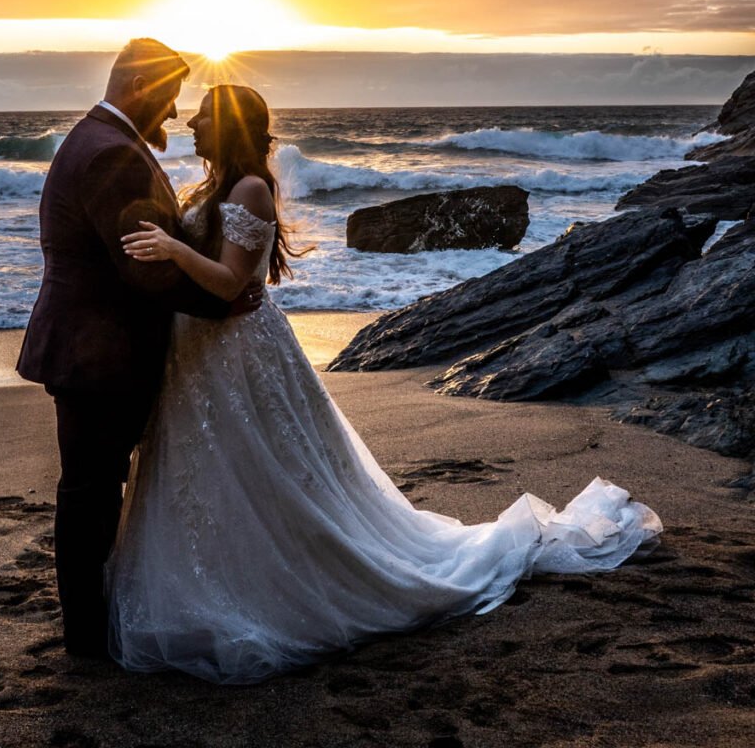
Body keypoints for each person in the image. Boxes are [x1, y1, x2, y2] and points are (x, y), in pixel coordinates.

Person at [107, 83, 663, 685]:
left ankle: (287, 582)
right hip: (199, 348)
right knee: (213, 470)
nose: (192, 123)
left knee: (266, 470)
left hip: (239, 348)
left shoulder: (249, 190)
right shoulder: (208, 187)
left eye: (206, 117)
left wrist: (170, 248)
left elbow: (229, 284)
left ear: (233, 127)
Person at [16, 40, 259, 657]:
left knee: (92, 491)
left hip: (93, 351)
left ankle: (90, 626)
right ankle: (86, 637)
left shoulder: (98, 141)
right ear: (142, 89)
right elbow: (142, 267)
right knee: (91, 493)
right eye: (171, 97)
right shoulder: (111, 155)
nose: (175, 114)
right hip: (97, 357)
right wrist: (224, 303)